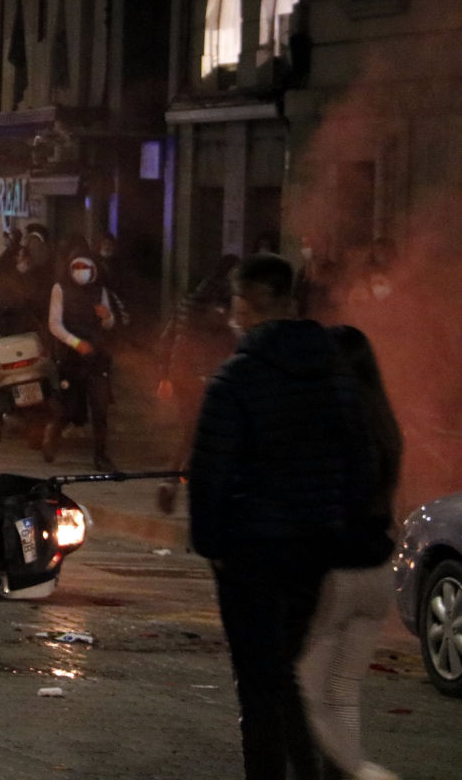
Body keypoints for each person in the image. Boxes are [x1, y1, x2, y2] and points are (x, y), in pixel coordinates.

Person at [189, 254, 373, 780]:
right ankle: (308, 770)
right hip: (314, 549)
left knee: (259, 677)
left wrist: (213, 545)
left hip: (251, 551)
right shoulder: (334, 373)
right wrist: (341, 527)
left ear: (247, 305)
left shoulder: (236, 379)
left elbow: (212, 473)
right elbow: (360, 457)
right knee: (285, 669)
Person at [296, 325, 403, 780]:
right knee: (344, 690)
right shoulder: (384, 424)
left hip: (337, 572)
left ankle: (356, 770)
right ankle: (350, 768)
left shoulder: (332, 426)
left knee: (304, 690)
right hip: (379, 570)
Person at [154, 253, 241, 513]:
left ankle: (175, 481)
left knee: (193, 431)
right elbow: (224, 340)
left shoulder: (190, 299)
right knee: (200, 433)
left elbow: (169, 337)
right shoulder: (220, 305)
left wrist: (167, 374)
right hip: (205, 375)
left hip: (184, 374)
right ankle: (179, 483)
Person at [42, 243, 120, 470]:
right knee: (68, 406)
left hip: (96, 358)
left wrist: (107, 317)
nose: (81, 271)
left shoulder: (100, 290)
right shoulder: (60, 289)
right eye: (76, 266)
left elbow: (110, 323)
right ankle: (52, 435)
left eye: (85, 266)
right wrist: (76, 343)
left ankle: (101, 455)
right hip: (71, 358)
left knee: (100, 408)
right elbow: (54, 324)